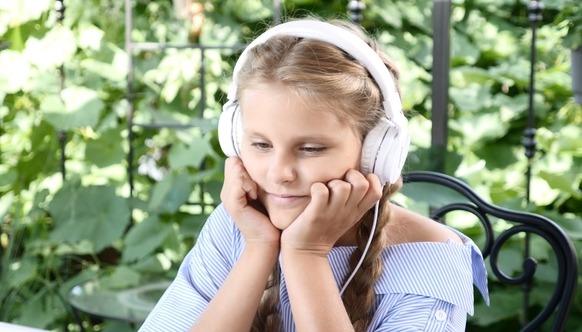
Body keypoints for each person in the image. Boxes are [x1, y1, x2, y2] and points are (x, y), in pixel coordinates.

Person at [139, 18, 488, 332]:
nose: (280, 174)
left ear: (377, 152)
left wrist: (306, 254)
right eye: (261, 144)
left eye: (310, 149)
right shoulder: (237, 226)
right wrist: (259, 247)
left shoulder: (429, 263)